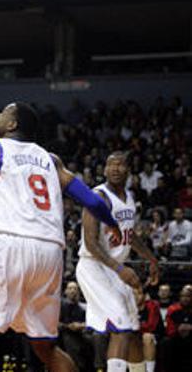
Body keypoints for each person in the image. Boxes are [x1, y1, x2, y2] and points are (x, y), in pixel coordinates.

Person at [0, 102, 124, 372]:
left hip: (9, 244)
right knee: (45, 345)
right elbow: (89, 197)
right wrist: (111, 222)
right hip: (51, 253)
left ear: (12, 124)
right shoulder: (51, 160)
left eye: (3, 113)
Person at [76, 151, 160, 372]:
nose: (115, 168)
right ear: (104, 170)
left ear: (129, 171)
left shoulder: (130, 199)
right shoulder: (98, 197)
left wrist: (151, 258)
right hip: (94, 266)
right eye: (110, 164)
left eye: (120, 165)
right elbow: (91, 244)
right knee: (121, 327)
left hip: (113, 269)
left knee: (132, 329)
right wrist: (120, 269)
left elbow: (129, 236)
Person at [161, 284, 192, 371]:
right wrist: (178, 328)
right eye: (183, 296)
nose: (185, 298)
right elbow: (169, 328)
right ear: (179, 297)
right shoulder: (173, 309)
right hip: (176, 337)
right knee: (165, 342)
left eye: (188, 296)